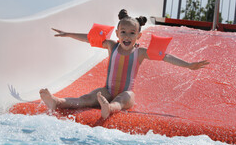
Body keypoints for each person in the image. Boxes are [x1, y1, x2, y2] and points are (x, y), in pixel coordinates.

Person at [39, 9, 209, 119]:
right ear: (117, 34)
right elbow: (89, 39)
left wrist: (188, 65)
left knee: (123, 98)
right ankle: (57, 102)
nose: (127, 36)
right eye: (123, 32)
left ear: (139, 36)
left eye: (132, 33)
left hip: (127, 93)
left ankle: (109, 108)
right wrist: (68, 34)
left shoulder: (140, 53)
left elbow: (165, 57)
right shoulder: (111, 46)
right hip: (108, 90)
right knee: (86, 98)